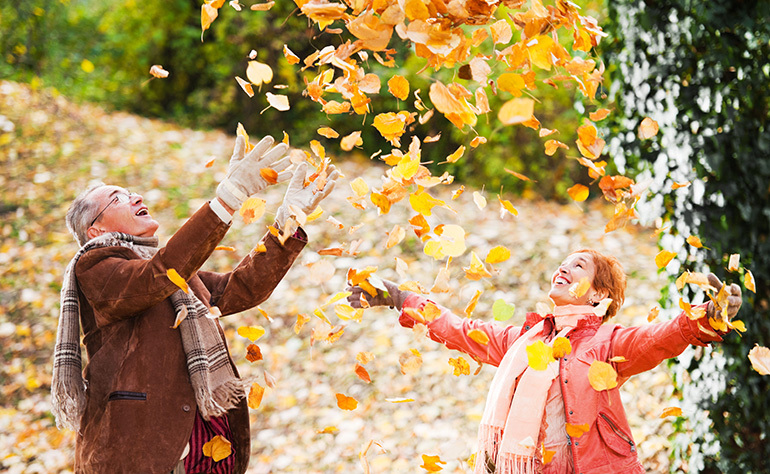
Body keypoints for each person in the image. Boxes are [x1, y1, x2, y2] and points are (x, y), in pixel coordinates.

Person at [52, 134, 339, 474]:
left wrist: (289, 221)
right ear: (95, 231)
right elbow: (155, 276)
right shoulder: (96, 267)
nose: (135, 196)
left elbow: (242, 288)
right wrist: (228, 198)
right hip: (140, 450)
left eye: (130, 192)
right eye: (117, 199)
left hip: (203, 446)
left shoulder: (176, 275)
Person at [347, 248, 742, 474]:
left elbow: (658, 339)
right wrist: (398, 297)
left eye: (578, 265)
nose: (563, 268)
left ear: (596, 295)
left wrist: (706, 315)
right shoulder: (524, 340)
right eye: (563, 263)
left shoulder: (607, 342)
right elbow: (459, 329)